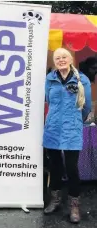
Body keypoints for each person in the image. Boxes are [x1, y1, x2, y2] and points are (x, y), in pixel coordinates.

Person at [43, 48, 92, 223]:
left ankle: (74, 205)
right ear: (54, 61)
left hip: (72, 129)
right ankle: (55, 200)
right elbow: (47, 99)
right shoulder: (49, 79)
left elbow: (86, 107)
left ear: (71, 59)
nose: (61, 60)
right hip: (53, 128)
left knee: (72, 168)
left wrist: (75, 119)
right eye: (57, 58)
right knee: (54, 166)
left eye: (64, 57)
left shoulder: (82, 80)